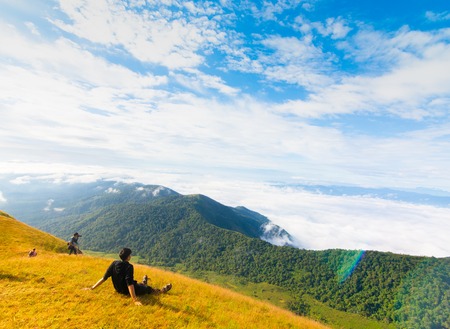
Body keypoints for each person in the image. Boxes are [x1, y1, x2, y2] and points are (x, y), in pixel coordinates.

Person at [89, 248, 172, 305]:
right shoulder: (129, 266)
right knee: (148, 289)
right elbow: (130, 284)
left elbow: (104, 278)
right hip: (127, 291)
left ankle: (143, 283)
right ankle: (161, 291)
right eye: (130, 255)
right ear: (128, 257)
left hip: (118, 289)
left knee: (139, 285)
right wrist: (134, 300)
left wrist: (92, 288)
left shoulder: (114, 263)